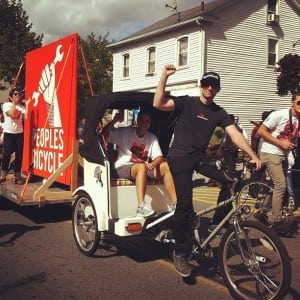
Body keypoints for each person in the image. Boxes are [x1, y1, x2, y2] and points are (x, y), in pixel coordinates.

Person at [153, 65, 261, 277]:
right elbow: (159, 103)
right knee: (185, 203)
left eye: (214, 85)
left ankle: (215, 224)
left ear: (218, 90)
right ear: (200, 86)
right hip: (180, 157)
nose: (210, 88)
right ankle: (181, 251)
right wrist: (164, 77)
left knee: (230, 180)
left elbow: (235, 135)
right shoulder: (187, 102)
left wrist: (253, 155)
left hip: (200, 157)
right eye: (206, 84)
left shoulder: (218, 113)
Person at [103, 109, 177, 217]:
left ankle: (176, 203)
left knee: (165, 166)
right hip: (123, 167)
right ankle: (141, 206)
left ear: (149, 124)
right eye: (141, 121)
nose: (144, 124)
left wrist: (154, 163)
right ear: (137, 121)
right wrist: (114, 120)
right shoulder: (125, 132)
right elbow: (105, 133)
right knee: (142, 167)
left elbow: (159, 157)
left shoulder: (152, 137)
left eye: (147, 121)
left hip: (142, 169)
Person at [257, 93, 300, 224]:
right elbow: (261, 131)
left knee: (276, 185)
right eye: (299, 102)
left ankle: (263, 210)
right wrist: (281, 143)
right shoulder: (279, 115)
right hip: (270, 152)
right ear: (292, 103)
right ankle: (275, 220)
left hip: (284, 154)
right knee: (281, 184)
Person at [0, 88, 32, 184]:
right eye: (15, 94)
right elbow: (13, 114)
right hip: (9, 133)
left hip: (19, 133)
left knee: (19, 154)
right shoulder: (6, 105)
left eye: (19, 94)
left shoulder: (21, 107)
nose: (18, 96)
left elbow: (26, 117)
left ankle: (17, 175)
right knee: (7, 154)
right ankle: (3, 174)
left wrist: (27, 105)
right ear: (11, 96)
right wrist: (14, 104)